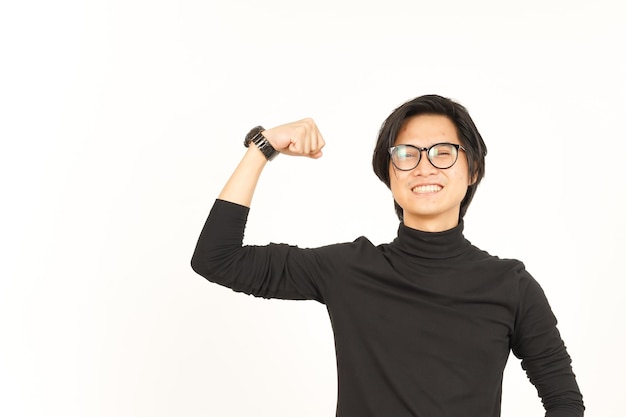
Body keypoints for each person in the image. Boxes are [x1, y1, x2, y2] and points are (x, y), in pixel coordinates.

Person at [191, 94, 584, 416]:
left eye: (442, 152)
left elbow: (563, 400)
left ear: (474, 169)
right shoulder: (348, 270)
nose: (423, 167)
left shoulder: (511, 285)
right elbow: (217, 259)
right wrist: (263, 147)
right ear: (389, 173)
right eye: (406, 154)